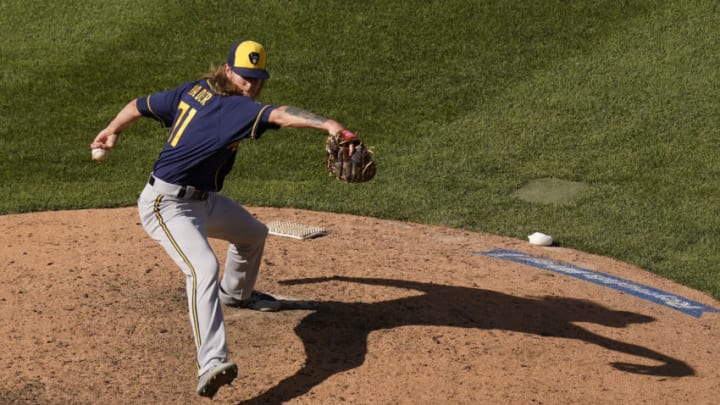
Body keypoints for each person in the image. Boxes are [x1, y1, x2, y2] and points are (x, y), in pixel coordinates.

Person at [91, 39, 349, 398]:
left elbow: (139, 105)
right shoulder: (236, 110)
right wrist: (330, 125)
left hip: (202, 201)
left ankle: (236, 295)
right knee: (202, 269)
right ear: (228, 71)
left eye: (257, 79)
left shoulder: (194, 91)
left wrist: (113, 128)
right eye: (245, 77)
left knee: (252, 235)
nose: (251, 86)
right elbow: (279, 114)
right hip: (165, 206)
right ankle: (211, 362)